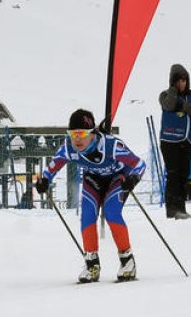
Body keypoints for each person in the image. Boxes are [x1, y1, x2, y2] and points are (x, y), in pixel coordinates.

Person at [35, 109, 146, 283]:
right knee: (87, 215)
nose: (76, 139)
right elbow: (53, 166)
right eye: (72, 134)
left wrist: (133, 178)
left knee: (111, 212)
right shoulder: (69, 148)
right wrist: (44, 180)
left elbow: (139, 163)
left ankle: (127, 261)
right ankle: (92, 265)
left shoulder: (110, 145)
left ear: (92, 133)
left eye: (81, 133)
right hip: (93, 180)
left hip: (116, 179)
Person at [158, 63, 191, 219]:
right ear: (172, 81)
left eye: (184, 80)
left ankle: (181, 208)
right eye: (178, 81)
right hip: (170, 140)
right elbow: (170, 105)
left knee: (184, 174)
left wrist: (183, 106)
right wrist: (174, 92)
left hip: (187, 140)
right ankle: (172, 210)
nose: (181, 84)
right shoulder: (165, 95)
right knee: (173, 174)